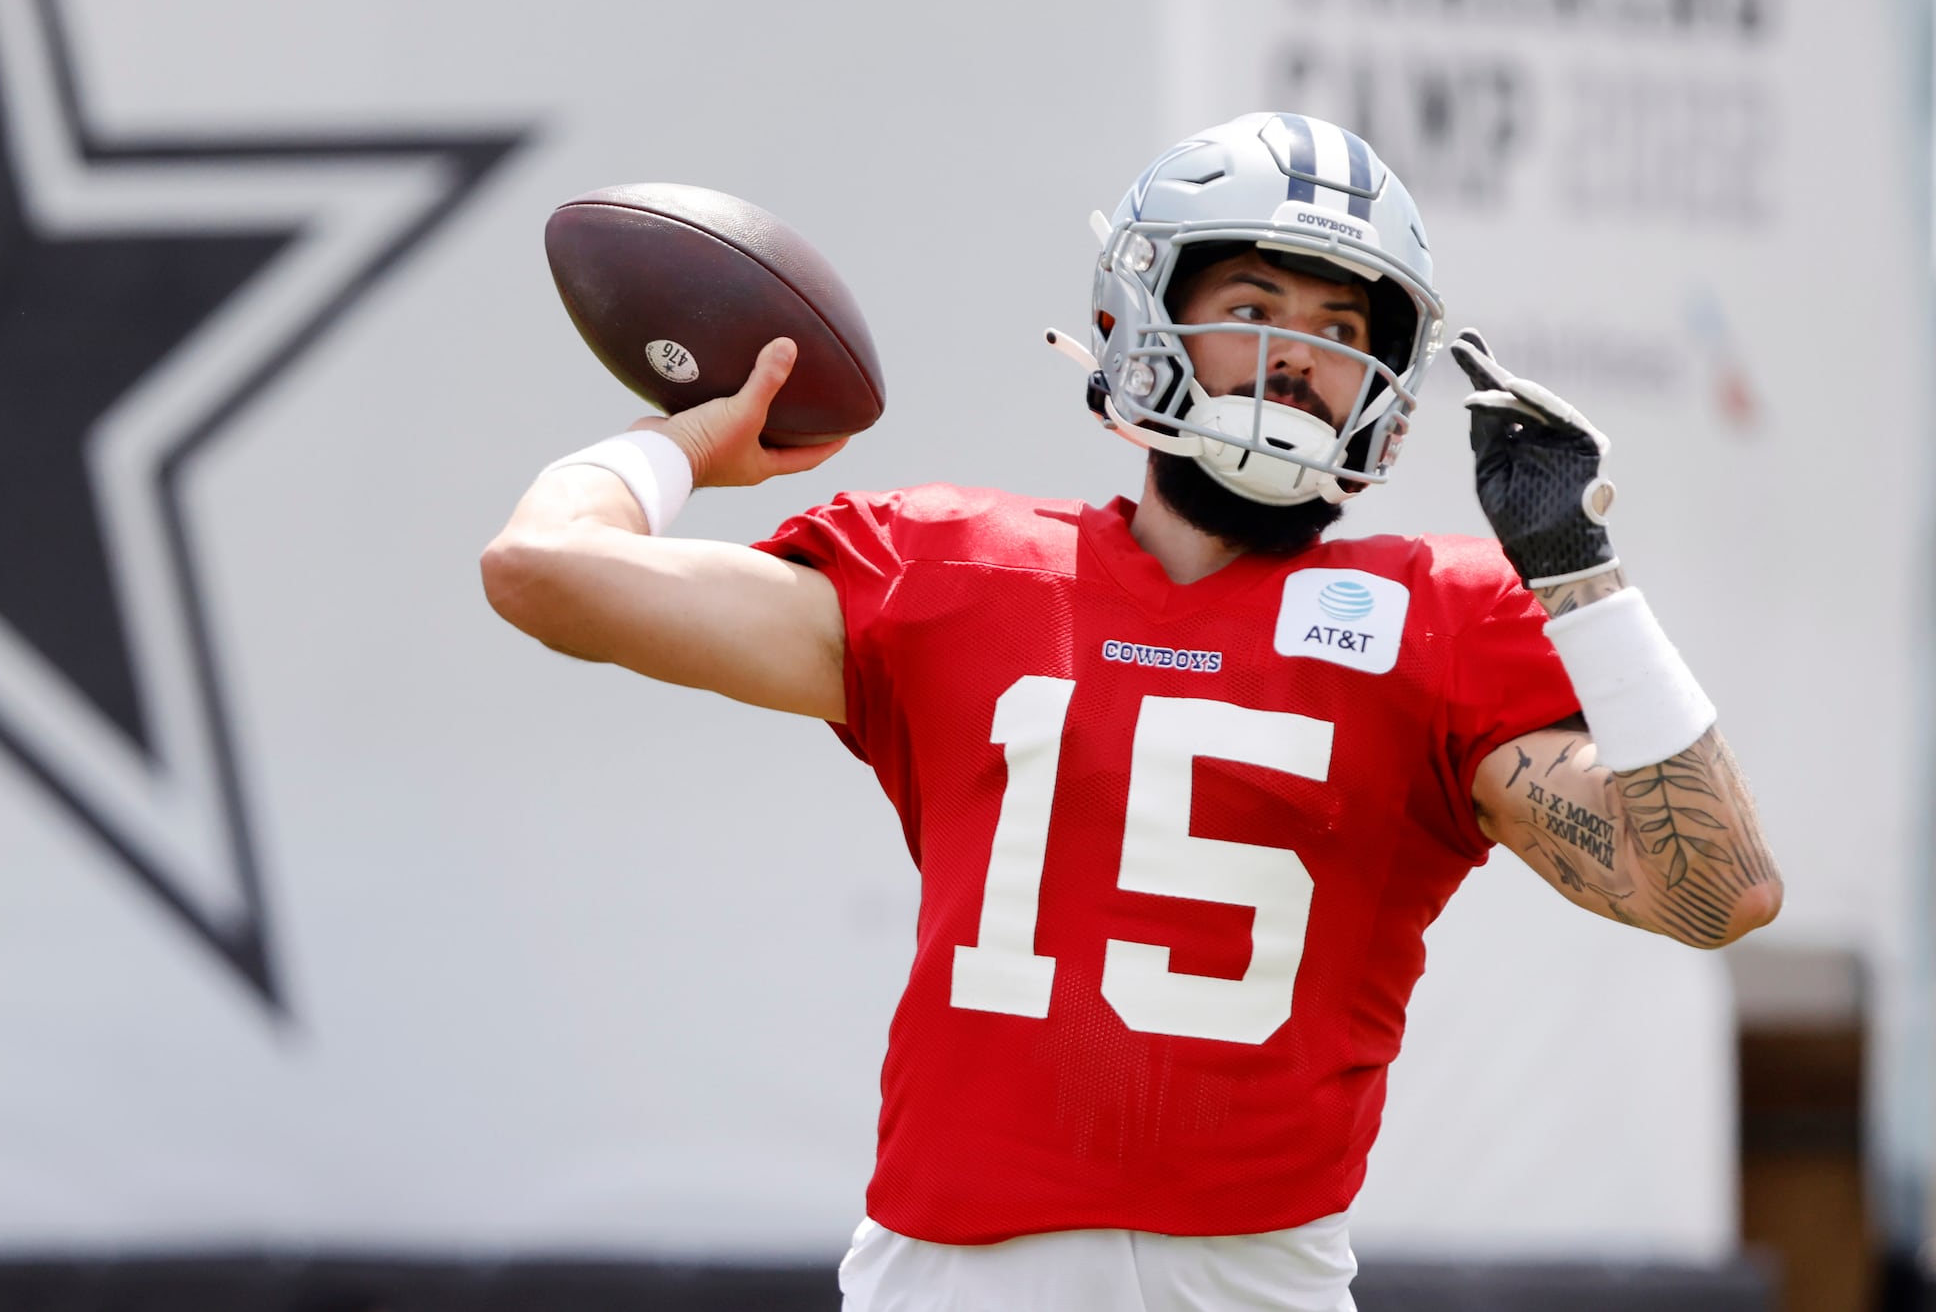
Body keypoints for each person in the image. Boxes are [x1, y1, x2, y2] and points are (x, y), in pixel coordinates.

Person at [481, 112, 1780, 1312]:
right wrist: (685, 446)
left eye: (1342, 323)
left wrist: (1582, 575)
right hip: (947, 1280)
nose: (1300, 355)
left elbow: (1714, 890)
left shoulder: (1445, 617)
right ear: (1143, 314)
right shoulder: (953, 572)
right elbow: (545, 572)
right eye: (1256, 303)